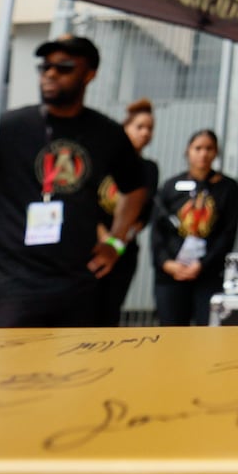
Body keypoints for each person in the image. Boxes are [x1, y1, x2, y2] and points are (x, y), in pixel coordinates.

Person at [0, 35, 146, 327]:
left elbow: (135, 188)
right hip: (13, 283)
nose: (51, 74)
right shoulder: (11, 127)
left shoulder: (107, 133)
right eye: (46, 67)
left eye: (64, 67)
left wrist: (116, 243)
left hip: (79, 283)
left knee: (79, 371)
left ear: (89, 75)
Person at [151, 129, 238, 326]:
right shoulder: (171, 186)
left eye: (209, 148)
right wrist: (167, 263)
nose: (203, 153)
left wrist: (202, 264)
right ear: (188, 151)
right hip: (171, 274)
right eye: (198, 148)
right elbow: (157, 232)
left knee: (207, 330)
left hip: (207, 273)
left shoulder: (228, 187)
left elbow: (228, 233)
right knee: (171, 332)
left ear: (216, 152)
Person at [95, 98, 161, 326]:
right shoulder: (102, 160)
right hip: (91, 245)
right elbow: (87, 203)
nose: (145, 133)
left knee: (110, 312)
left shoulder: (149, 169)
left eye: (150, 128)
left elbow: (145, 212)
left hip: (124, 248)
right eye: (139, 127)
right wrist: (102, 236)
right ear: (125, 128)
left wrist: (116, 241)